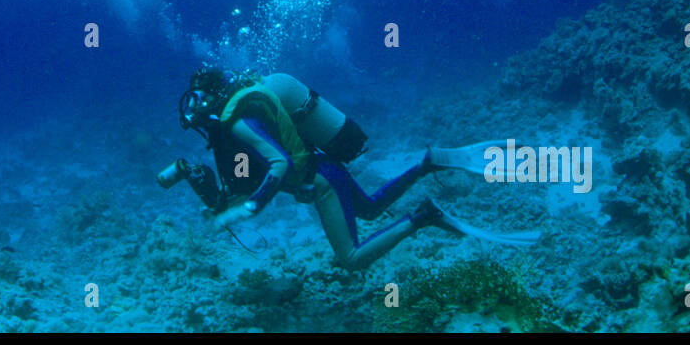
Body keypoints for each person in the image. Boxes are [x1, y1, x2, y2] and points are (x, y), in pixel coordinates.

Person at [165, 67, 538, 271]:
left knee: (352, 259)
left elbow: (278, 162)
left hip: (322, 179)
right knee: (372, 208)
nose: (193, 109)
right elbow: (271, 161)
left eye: (196, 100)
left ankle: (424, 215)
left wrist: (253, 206)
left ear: (211, 99)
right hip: (327, 168)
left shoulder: (238, 123)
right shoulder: (245, 109)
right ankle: (428, 163)